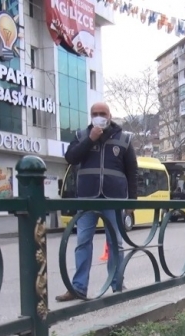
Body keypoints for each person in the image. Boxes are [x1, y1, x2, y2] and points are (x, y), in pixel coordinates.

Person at [56, 101, 138, 302]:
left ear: (110, 115)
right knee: (83, 242)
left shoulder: (124, 139)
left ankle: (117, 285)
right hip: (87, 198)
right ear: (90, 116)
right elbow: (71, 158)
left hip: (114, 198)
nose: (99, 116)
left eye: (103, 113)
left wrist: (131, 203)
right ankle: (78, 288)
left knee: (116, 243)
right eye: (95, 113)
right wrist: (91, 139)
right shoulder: (81, 136)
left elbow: (132, 172)